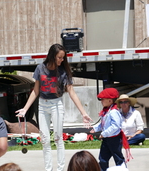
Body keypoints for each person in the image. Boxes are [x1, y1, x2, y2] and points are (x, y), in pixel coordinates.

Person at [15, 43, 92, 171]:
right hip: (42, 105)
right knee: (44, 139)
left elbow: (71, 92)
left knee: (58, 138)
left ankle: (60, 169)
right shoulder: (40, 68)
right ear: (52, 56)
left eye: (63, 58)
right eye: (59, 57)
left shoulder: (63, 71)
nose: (62, 60)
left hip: (57, 105)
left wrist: (83, 113)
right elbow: (35, 91)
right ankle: (48, 169)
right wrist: (25, 109)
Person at [90, 88, 132, 171]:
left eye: (103, 99)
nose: (101, 101)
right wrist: (95, 128)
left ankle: (122, 169)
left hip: (114, 139)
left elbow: (115, 126)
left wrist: (104, 133)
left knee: (117, 157)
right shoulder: (106, 112)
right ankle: (103, 169)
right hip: (106, 139)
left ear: (110, 101)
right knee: (103, 157)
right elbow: (103, 124)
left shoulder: (114, 112)